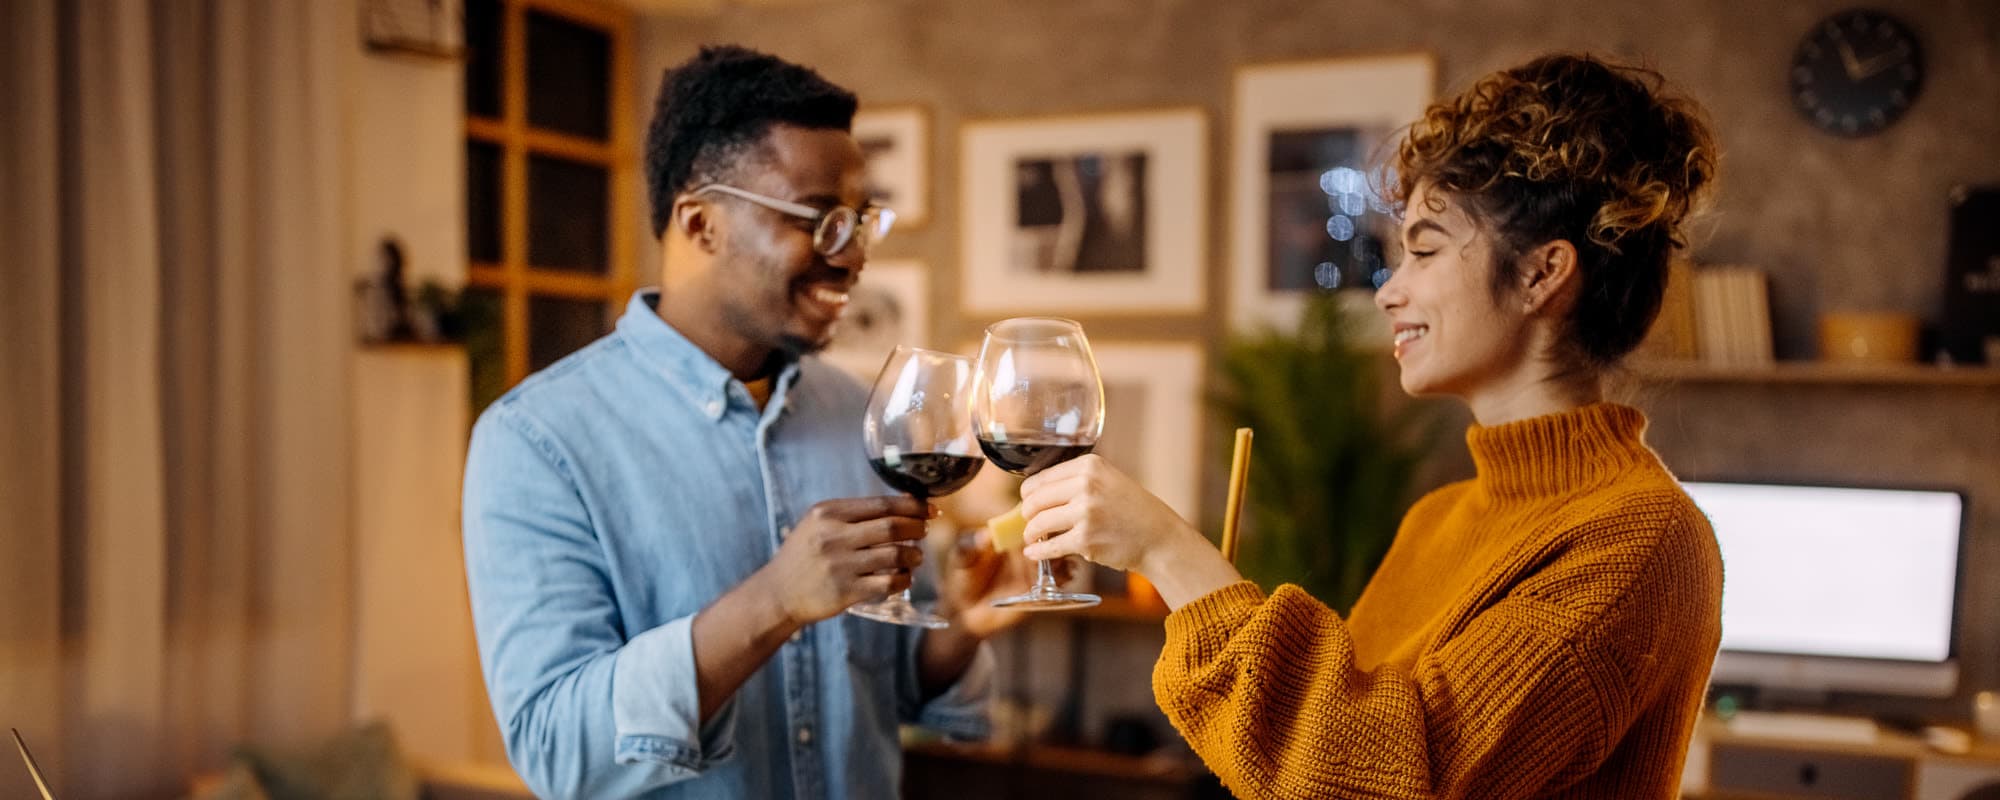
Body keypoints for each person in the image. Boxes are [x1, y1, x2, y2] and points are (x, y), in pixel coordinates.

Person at [1015, 52, 1724, 799]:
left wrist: (1168, 551)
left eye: (1423, 250)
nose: (1392, 293)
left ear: (1542, 274)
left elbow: (1384, 776)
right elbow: (1313, 756)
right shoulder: (1440, 519)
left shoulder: (1641, 541)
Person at [463, 45, 1027, 799]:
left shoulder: (863, 415)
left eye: (860, 222)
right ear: (701, 223)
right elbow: (558, 752)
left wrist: (958, 627)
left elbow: (892, 691)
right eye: (823, 222)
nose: (854, 255)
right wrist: (775, 602)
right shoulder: (536, 442)